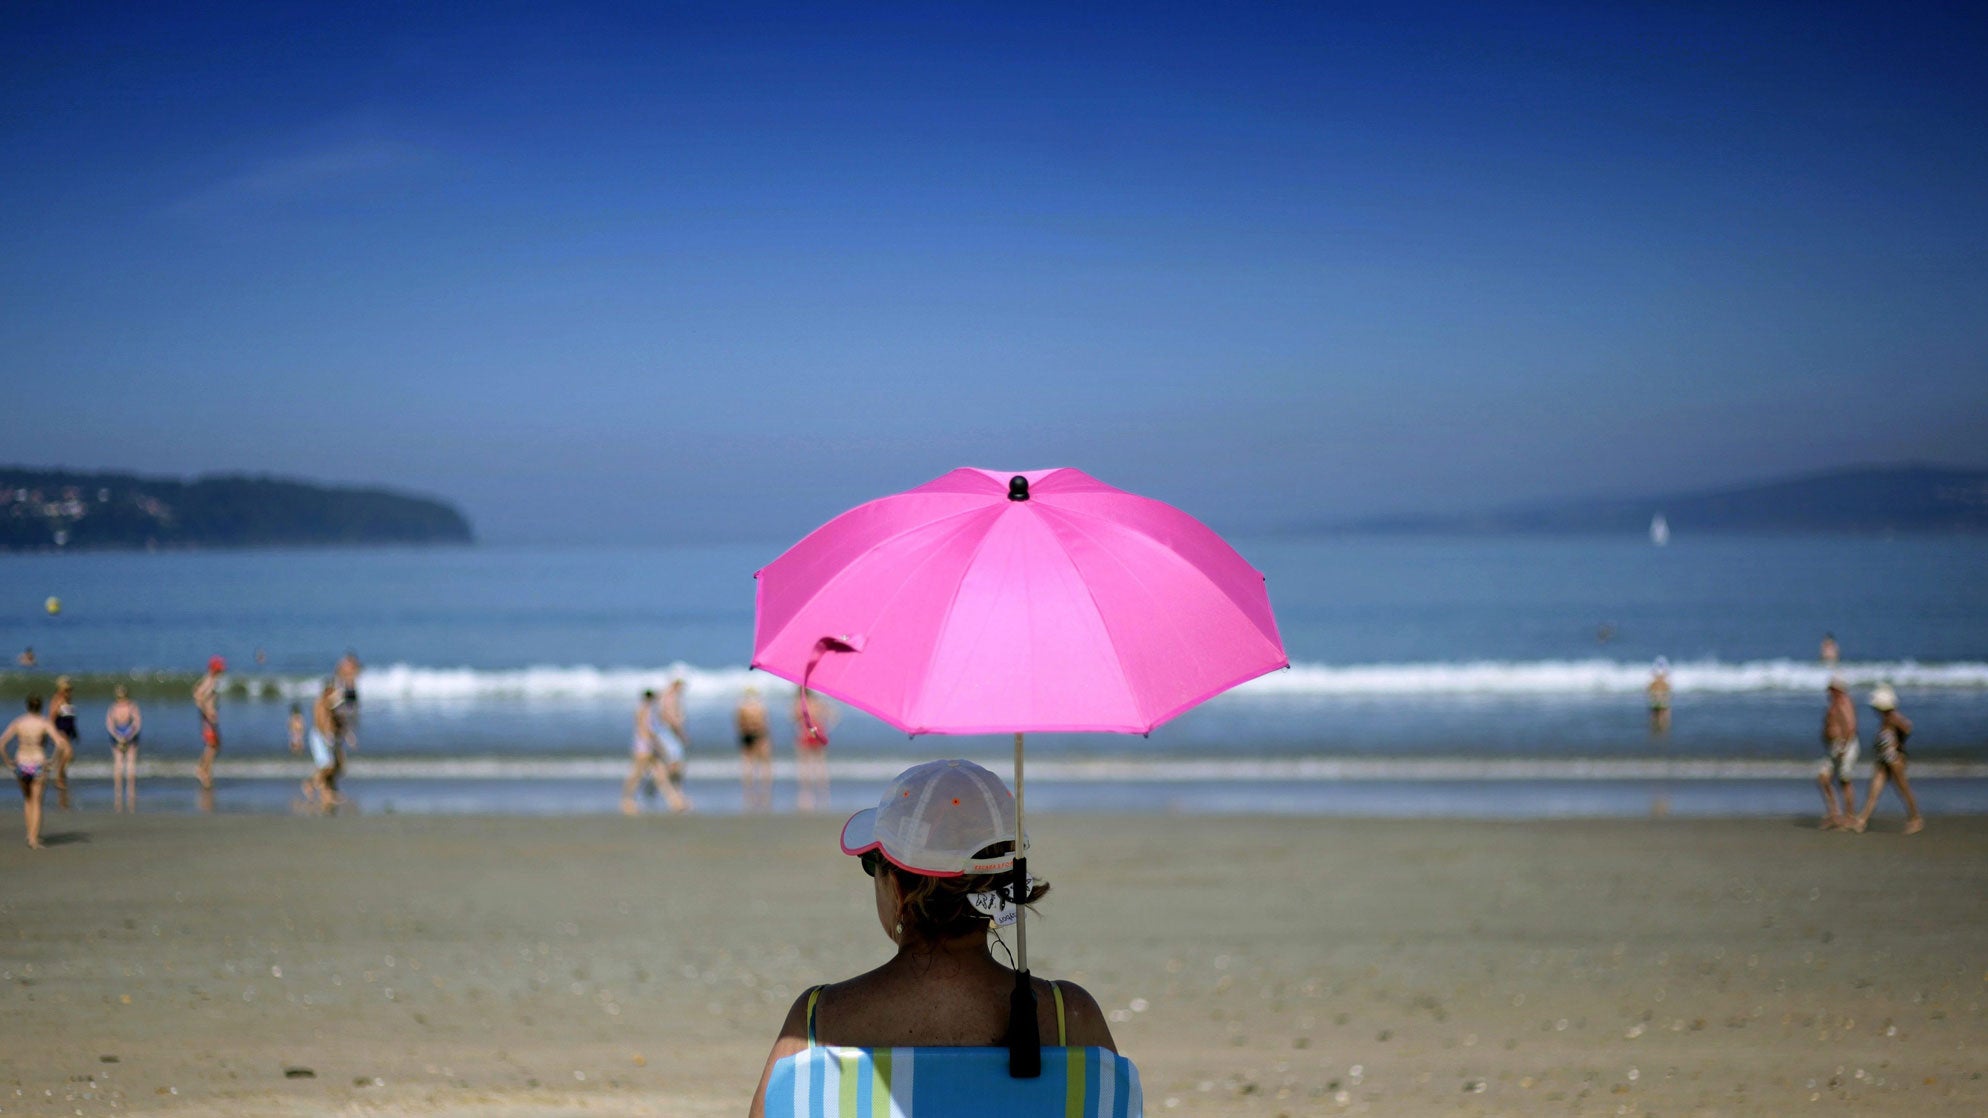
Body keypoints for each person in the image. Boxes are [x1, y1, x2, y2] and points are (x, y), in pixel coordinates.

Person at [749, 759, 1115, 1117]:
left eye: (871, 864)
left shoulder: (817, 1023)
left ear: (895, 885)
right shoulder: (1071, 1017)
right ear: (1005, 883)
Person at [1852, 684, 1923, 834]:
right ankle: (1862, 819)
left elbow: (1907, 727)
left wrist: (1899, 745)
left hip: (1894, 758)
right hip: (1883, 758)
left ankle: (1916, 818)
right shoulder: (1886, 719)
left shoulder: (1893, 717)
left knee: (1903, 789)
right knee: (1874, 790)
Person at [1, 695, 67, 849]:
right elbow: (60, 743)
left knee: (28, 800)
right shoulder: (44, 723)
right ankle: (33, 838)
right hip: (38, 763)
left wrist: (8, 761)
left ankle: (29, 834)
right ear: (41, 706)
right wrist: (52, 760)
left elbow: (2, 743)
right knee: (37, 802)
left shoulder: (19, 722)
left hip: (21, 763)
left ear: (27, 706)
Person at [621, 689, 689, 815]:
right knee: (637, 775)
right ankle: (627, 801)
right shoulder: (644, 710)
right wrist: (655, 744)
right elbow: (645, 730)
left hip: (647, 746)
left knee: (660, 775)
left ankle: (674, 802)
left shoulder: (646, 710)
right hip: (644, 748)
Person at [1817, 675, 1859, 829]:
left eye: (1831, 689)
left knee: (1844, 779)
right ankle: (1834, 813)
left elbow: (1850, 726)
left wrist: (1844, 746)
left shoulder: (1844, 702)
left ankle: (1849, 815)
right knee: (1823, 777)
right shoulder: (1834, 703)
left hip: (1844, 745)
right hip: (1835, 746)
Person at [301, 680, 343, 811]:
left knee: (335, 766)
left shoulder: (329, 705)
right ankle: (310, 783)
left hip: (327, 736)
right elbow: (320, 722)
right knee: (327, 766)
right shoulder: (320, 703)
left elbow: (335, 722)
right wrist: (326, 736)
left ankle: (328, 793)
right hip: (320, 736)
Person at [792, 687, 836, 811]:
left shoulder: (800, 703)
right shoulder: (817, 702)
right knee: (821, 764)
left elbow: (794, 717)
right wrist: (828, 725)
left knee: (804, 765)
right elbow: (833, 713)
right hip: (818, 731)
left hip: (806, 732)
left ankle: (806, 795)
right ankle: (824, 794)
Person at [736, 686, 773, 812]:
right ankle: (764, 792)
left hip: (747, 734)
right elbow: (764, 723)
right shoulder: (760, 707)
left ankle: (749, 793)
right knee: (764, 765)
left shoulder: (741, 707)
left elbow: (739, 724)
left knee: (748, 764)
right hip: (759, 734)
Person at [106, 685, 142, 813]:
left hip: (120, 732)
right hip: (127, 731)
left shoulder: (113, 708)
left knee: (119, 763)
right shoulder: (131, 706)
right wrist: (128, 735)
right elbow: (137, 723)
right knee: (130, 763)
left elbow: (109, 725)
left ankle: (119, 791)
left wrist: (117, 736)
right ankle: (130, 791)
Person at [193, 656, 225, 790]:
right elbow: (198, 696)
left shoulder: (211, 680)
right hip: (208, 720)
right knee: (212, 745)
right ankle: (202, 770)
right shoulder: (209, 681)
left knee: (215, 745)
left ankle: (206, 771)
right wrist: (207, 712)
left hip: (210, 719)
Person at [49, 676, 78, 810]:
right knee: (69, 754)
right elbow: (52, 717)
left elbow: (71, 718)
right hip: (60, 731)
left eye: (69, 689)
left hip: (68, 730)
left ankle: (61, 779)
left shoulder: (68, 700)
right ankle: (58, 778)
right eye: (66, 689)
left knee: (63, 756)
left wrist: (75, 731)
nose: (68, 691)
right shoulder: (57, 700)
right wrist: (53, 733)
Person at [334, 650, 362, 754]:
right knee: (348, 715)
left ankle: (347, 737)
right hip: (348, 690)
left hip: (349, 691)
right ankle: (348, 737)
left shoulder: (345, 665)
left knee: (350, 715)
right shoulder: (351, 665)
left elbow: (338, 674)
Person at [1646, 657, 1672, 736]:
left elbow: (1649, 690)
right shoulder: (1663, 683)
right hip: (1660, 700)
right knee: (1662, 714)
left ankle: (1657, 728)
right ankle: (1663, 729)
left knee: (1657, 715)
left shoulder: (1654, 682)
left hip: (1656, 700)